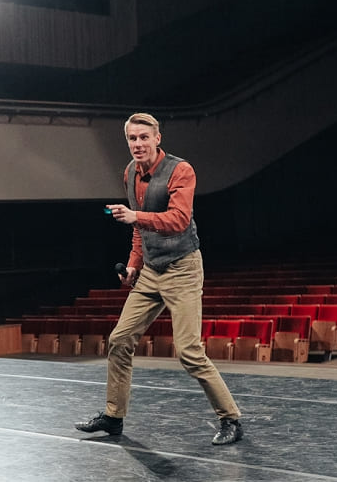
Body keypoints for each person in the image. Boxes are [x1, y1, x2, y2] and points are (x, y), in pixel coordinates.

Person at [76, 112, 243, 446]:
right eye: (132, 138)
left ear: (157, 138)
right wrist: (133, 265)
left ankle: (231, 419)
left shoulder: (180, 170)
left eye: (143, 137)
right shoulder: (130, 172)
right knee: (120, 339)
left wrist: (135, 216)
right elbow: (139, 230)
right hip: (151, 271)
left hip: (182, 268)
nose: (138, 144)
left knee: (189, 352)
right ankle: (113, 416)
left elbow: (179, 220)